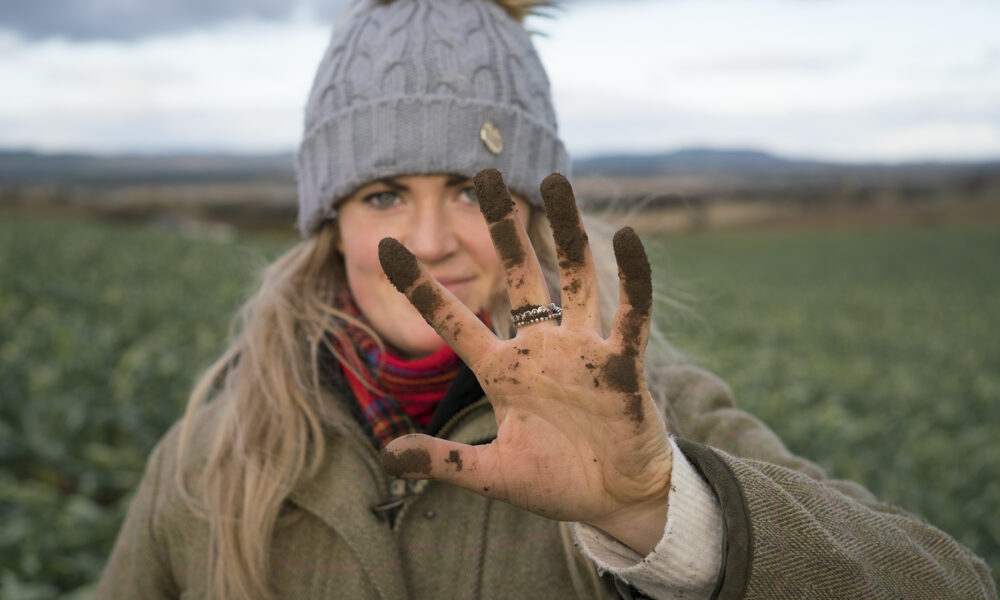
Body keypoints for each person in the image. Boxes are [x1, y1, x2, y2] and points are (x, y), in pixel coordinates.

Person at [96, 0, 995, 598]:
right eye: (382, 196)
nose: (434, 239)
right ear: (329, 225)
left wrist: (661, 511)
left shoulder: (657, 422)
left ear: (530, 212)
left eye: (470, 191)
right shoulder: (212, 463)